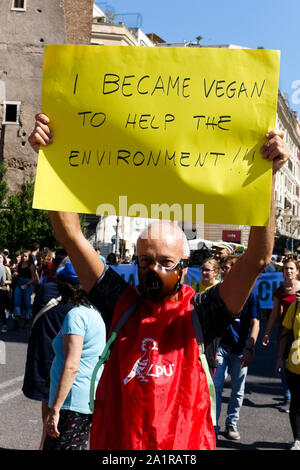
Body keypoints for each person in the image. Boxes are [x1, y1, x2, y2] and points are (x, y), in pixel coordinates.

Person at [28, 114, 289, 450]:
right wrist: (50, 158)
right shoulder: (119, 301)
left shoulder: (202, 312)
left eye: (165, 262)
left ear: (183, 269)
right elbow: (71, 236)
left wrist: (268, 176)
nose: (153, 269)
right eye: (145, 260)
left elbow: (257, 258)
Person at [42, 261, 106, 450]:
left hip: (71, 403)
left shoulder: (76, 316)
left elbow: (72, 365)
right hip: (83, 401)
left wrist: (55, 409)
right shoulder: (93, 313)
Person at [22, 262, 72, 449]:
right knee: (60, 407)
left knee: (48, 402)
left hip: (44, 354)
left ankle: (44, 443)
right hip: (66, 357)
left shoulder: (46, 289)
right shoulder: (79, 304)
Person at [213, 255, 261, 441]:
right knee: (216, 386)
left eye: (227, 268)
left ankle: (231, 423)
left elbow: (255, 323)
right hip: (220, 347)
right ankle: (213, 424)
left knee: (237, 389)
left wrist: (250, 348)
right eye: (222, 267)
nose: (223, 271)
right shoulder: (218, 291)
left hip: (240, 349)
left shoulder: (250, 294)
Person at [262, 257, 300, 412]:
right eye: (286, 268)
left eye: (291, 268)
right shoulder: (280, 290)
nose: (288, 271)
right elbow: (274, 314)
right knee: (283, 364)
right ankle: (288, 398)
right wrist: (267, 333)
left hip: (299, 333)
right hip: (284, 332)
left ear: (297, 271)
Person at [276, 291, 300, 450]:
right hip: (295, 364)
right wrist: (279, 357)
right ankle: (297, 439)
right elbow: (284, 332)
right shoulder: (295, 305)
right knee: (296, 403)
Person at [12, 250, 39, 329]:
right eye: (23, 256)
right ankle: (16, 320)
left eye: (25, 256)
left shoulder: (31, 265)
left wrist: (27, 284)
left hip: (27, 284)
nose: (23, 257)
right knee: (16, 301)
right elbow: (17, 272)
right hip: (19, 283)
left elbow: (33, 278)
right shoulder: (20, 264)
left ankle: (27, 320)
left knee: (27, 303)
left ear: (29, 257)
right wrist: (15, 273)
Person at [0, 253, 7, 333]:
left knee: (1, 308)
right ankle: (4, 324)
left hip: (1, 289)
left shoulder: (3, 267)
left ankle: (4, 324)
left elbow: (3, 281)